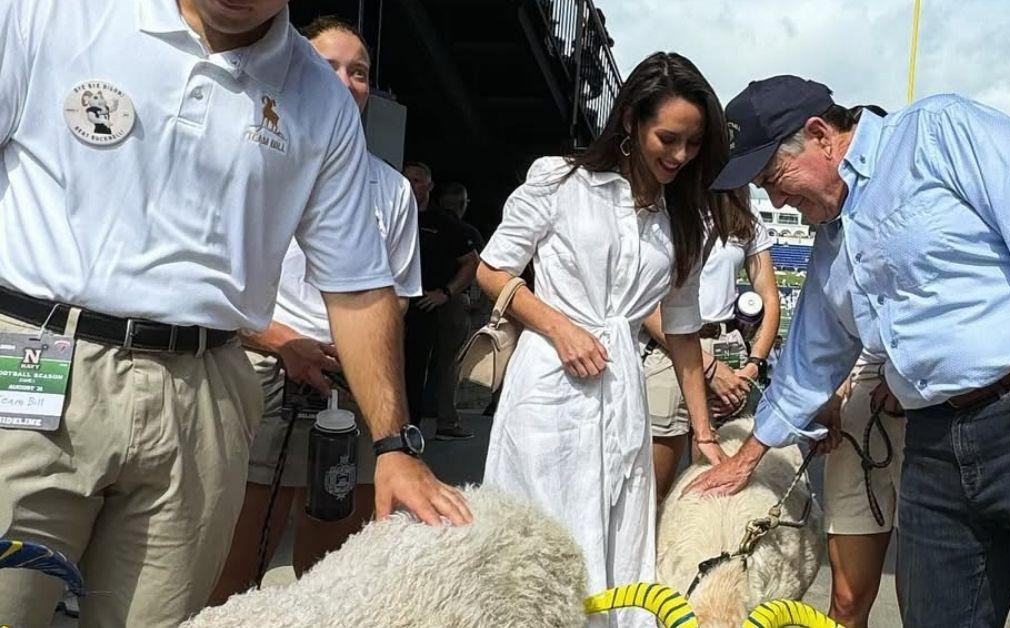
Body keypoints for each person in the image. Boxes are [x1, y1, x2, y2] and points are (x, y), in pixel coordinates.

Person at [0, 2, 469, 625]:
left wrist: (394, 445)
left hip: (206, 387)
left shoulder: (318, 102)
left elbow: (358, 286)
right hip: (36, 355)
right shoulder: (50, 15)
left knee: (163, 618)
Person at [689, 76, 1010, 627]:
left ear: (819, 135)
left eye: (774, 179)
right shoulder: (833, 240)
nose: (776, 199)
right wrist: (746, 458)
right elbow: (810, 358)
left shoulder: (940, 132)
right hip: (934, 439)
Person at [476, 52, 748, 627]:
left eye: (694, 145)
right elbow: (493, 270)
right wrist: (557, 326)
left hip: (623, 388)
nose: (679, 156)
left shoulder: (687, 221)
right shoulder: (559, 180)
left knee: (619, 527)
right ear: (630, 121)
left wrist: (704, 436)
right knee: (543, 533)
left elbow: (680, 331)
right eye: (668, 138)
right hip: (549, 380)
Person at [207, 17, 425, 606]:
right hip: (263, 370)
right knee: (238, 560)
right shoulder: (254, 158)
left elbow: (394, 298)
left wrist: (372, 391)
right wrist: (281, 341)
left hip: (346, 386)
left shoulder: (392, 190)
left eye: (359, 72)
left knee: (334, 566)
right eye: (329, 65)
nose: (346, 81)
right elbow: (212, 284)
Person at [642, 199, 779, 503]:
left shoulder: (744, 211)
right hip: (668, 346)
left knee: (714, 487)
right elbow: (646, 304)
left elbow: (769, 297)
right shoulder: (664, 204)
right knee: (653, 492)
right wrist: (709, 367)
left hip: (726, 345)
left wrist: (754, 364)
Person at [812, 351, 905, 627]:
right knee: (847, 601)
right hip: (858, 386)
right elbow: (828, 322)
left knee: (924, 601)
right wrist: (830, 393)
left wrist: (906, 376)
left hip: (935, 397)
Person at [402, 162, 479, 440]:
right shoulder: (390, 214)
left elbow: (471, 263)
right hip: (392, 303)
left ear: (429, 185)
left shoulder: (445, 223)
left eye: (417, 180)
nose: (411, 185)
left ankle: (416, 429)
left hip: (428, 305)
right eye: (406, 179)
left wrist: (445, 293)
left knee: (425, 367)